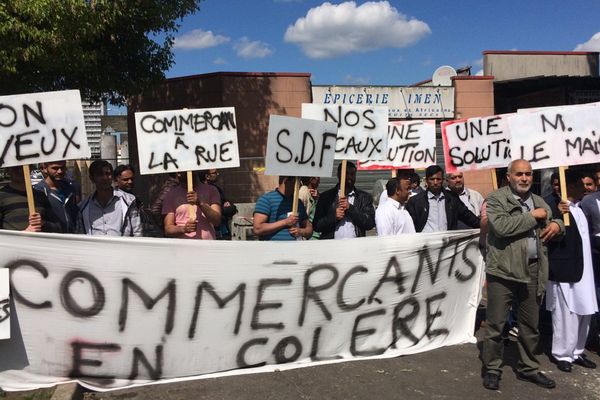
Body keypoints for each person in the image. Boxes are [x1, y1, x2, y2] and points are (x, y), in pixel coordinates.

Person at [481, 159, 564, 390]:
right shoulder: (497, 198)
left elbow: (553, 219)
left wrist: (557, 224)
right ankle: (492, 368)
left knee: (530, 325)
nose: (525, 178)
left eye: (528, 174)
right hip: (503, 271)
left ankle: (529, 368)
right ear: (508, 176)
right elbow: (500, 227)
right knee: (496, 325)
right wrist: (532, 216)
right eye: (519, 174)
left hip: (533, 269)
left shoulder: (538, 201)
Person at [545, 170, 598, 372]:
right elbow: (547, 229)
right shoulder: (553, 204)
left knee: (584, 312)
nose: (585, 189)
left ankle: (577, 351)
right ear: (572, 186)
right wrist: (558, 213)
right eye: (581, 184)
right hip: (564, 270)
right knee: (565, 314)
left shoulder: (579, 207)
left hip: (584, 270)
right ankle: (562, 354)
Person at [77, 160, 142, 236]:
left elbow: (137, 232)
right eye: (100, 174)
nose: (105, 178)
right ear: (92, 178)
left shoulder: (128, 201)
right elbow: (80, 234)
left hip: (122, 247)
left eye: (108, 174)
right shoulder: (84, 207)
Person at [405, 165, 480, 233]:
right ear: (427, 180)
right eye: (432, 179)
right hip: (425, 245)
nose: (435, 182)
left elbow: (468, 217)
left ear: (443, 180)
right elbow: (409, 227)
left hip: (448, 245)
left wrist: (485, 225)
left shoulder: (452, 198)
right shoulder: (415, 201)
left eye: (438, 179)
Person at [313, 162, 375, 239]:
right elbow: (316, 226)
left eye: (352, 174)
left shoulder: (364, 197)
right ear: (339, 174)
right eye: (346, 173)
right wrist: (333, 217)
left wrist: (350, 208)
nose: (349, 177)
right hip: (332, 247)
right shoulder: (326, 197)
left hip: (356, 246)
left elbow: (370, 223)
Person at [162, 171, 221, 239]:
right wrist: (183, 229)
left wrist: (200, 203)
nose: (179, 173)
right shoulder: (170, 195)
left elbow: (216, 221)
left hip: (207, 246)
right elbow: (168, 229)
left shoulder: (211, 190)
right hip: (183, 247)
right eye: (178, 171)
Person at [0, 165, 61, 232]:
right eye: (15, 168)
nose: (20, 171)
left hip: (40, 241)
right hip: (13, 242)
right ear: (8, 170)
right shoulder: (2, 196)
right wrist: (23, 235)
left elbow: (57, 227)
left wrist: (43, 223)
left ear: (30, 169)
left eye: (22, 167)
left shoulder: (40, 195)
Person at [253, 176, 312, 241]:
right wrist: (285, 222)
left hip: (295, 249)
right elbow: (257, 229)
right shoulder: (266, 200)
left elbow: (309, 229)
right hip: (274, 249)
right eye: (297, 182)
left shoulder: (298, 202)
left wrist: (301, 231)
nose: (300, 185)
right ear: (287, 181)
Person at [113, 164, 163, 237]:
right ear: (116, 180)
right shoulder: (115, 200)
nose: (130, 182)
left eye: (132, 179)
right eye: (125, 179)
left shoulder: (134, 198)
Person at [34, 160, 79, 233]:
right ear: (45, 169)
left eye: (63, 167)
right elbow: (39, 222)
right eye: (55, 168)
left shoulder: (70, 189)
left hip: (71, 239)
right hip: (52, 240)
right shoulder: (39, 192)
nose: (60, 171)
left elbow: (75, 215)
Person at [200, 169, 238, 239]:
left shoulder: (216, 189)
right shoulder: (201, 192)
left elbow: (229, 206)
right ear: (207, 176)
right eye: (215, 173)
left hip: (222, 229)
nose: (217, 174)